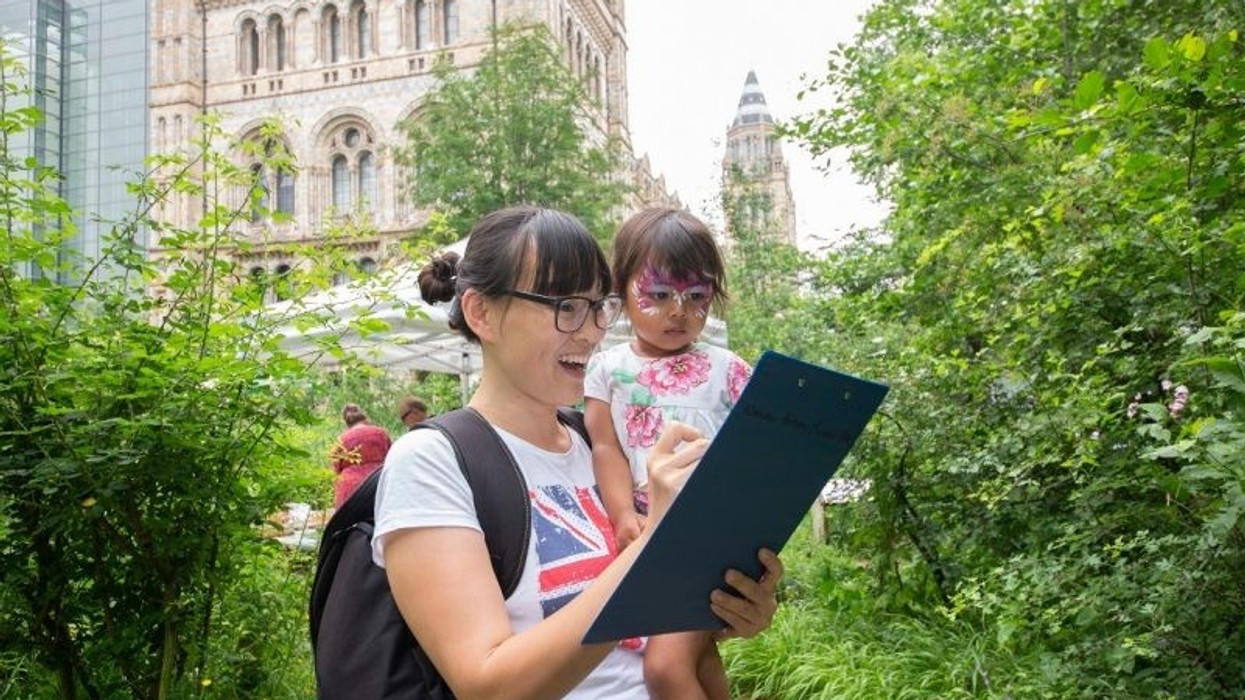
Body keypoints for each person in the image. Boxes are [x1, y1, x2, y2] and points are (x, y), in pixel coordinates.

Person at [372, 206, 783, 699]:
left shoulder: (604, 440)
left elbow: (660, 624)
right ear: (482, 312)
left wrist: (732, 604)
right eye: (565, 307)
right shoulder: (433, 461)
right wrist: (658, 542)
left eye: (597, 307)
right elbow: (488, 688)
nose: (590, 331)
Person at [584, 206, 754, 700]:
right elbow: (606, 448)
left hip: (713, 534)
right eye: (658, 294)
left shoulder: (731, 369)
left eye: (696, 296)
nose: (678, 310)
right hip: (648, 530)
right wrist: (621, 514)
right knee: (698, 658)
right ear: (623, 290)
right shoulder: (607, 370)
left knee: (664, 668)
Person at [329, 403, 393, 508]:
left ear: (346, 422)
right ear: (364, 417)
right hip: (376, 482)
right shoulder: (381, 433)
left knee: (349, 522)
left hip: (349, 488)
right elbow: (391, 458)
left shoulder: (341, 439)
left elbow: (335, 469)